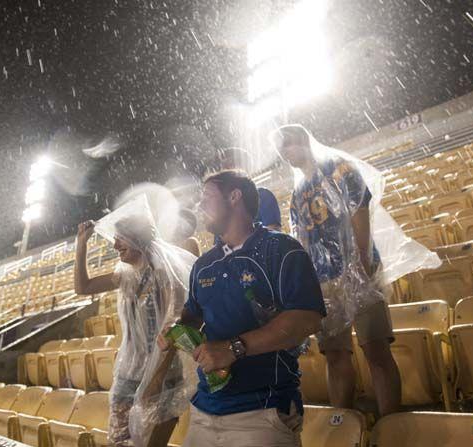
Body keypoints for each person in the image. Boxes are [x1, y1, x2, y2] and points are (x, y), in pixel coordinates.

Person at [157, 170, 326, 447]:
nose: (199, 205)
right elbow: (192, 316)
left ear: (234, 196)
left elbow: (307, 319)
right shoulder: (204, 265)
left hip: (263, 410)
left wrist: (234, 347)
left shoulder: (282, 249)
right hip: (204, 408)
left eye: (206, 197)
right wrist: (175, 329)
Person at [270, 124, 401, 416]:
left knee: (376, 349)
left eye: (289, 144)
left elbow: (359, 210)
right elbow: (302, 238)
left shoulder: (338, 168)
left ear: (305, 140)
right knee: (335, 354)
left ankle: (391, 424)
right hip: (323, 281)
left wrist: (362, 265)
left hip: (357, 270)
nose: (286, 152)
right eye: (282, 149)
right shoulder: (298, 191)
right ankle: (343, 422)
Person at [74, 202, 196, 447]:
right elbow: (83, 288)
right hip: (129, 372)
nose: (115, 245)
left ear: (138, 239)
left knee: (151, 443)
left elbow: (175, 325)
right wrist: (81, 245)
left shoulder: (164, 274)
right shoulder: (125, 274)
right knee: (119, 441)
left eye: (121, 239)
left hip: (164, 373)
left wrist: (156, 376)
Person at [218, 147, 282, 231]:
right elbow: (220, 241)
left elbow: (274, 233)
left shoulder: (262, 196)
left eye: (230, 166)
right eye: (223, 168)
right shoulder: (223, 206)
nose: (224, 173)